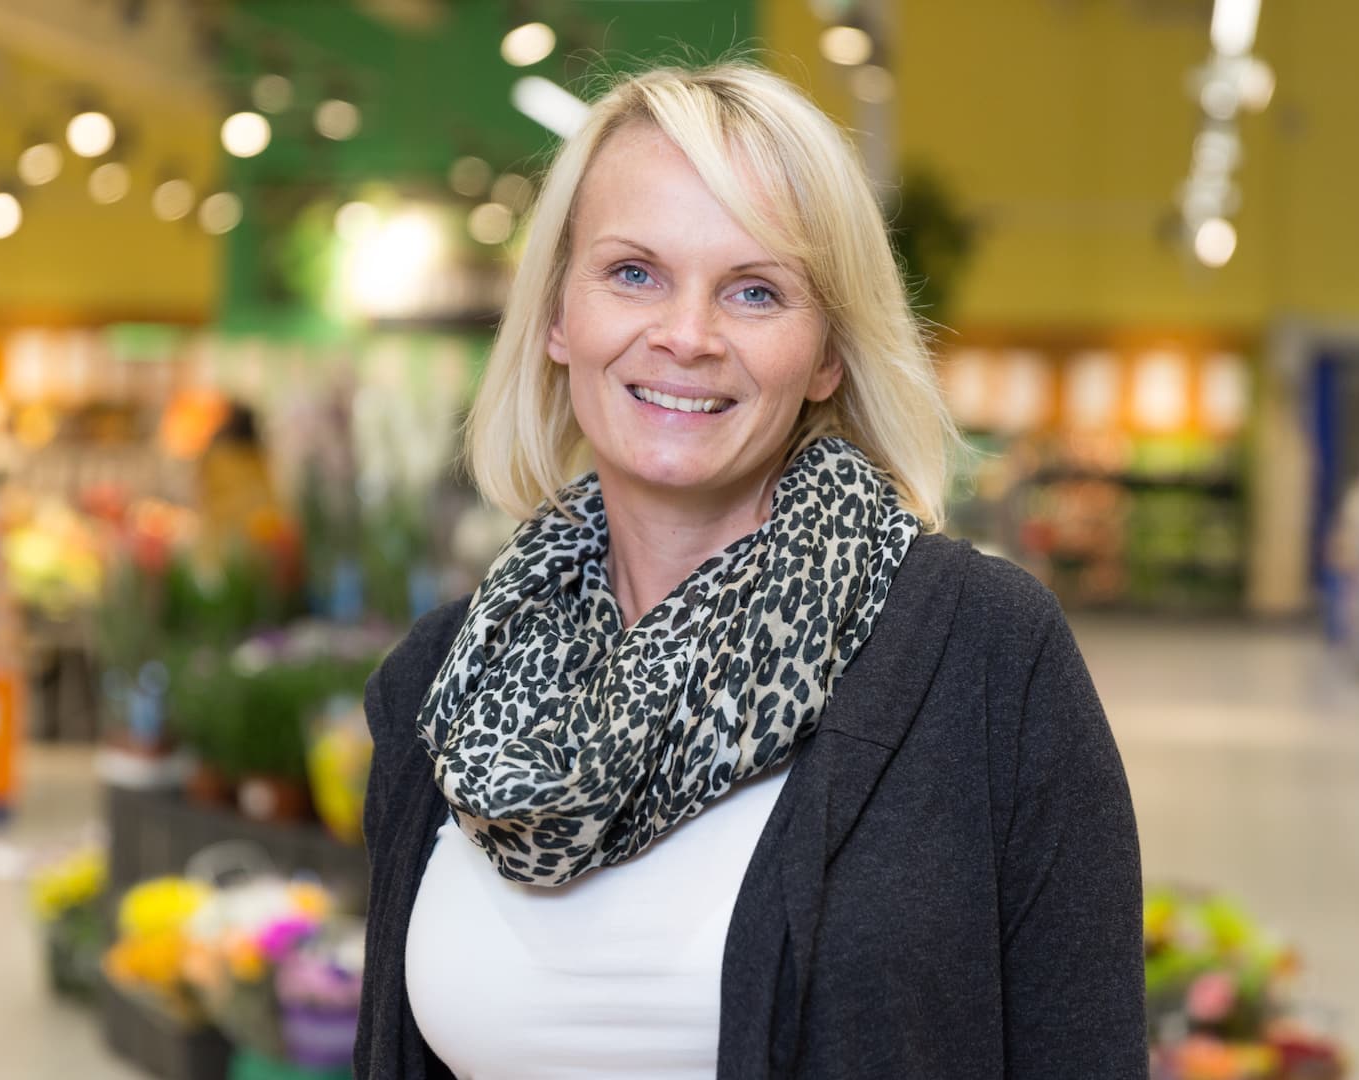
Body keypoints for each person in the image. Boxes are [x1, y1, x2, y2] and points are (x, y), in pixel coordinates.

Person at [354, 62, 1144, 1079]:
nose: (687, 336)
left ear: (826, 356)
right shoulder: (446, 682)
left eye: (755, 291)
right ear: (556, 316)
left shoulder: (983, 657)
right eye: (633, 273)